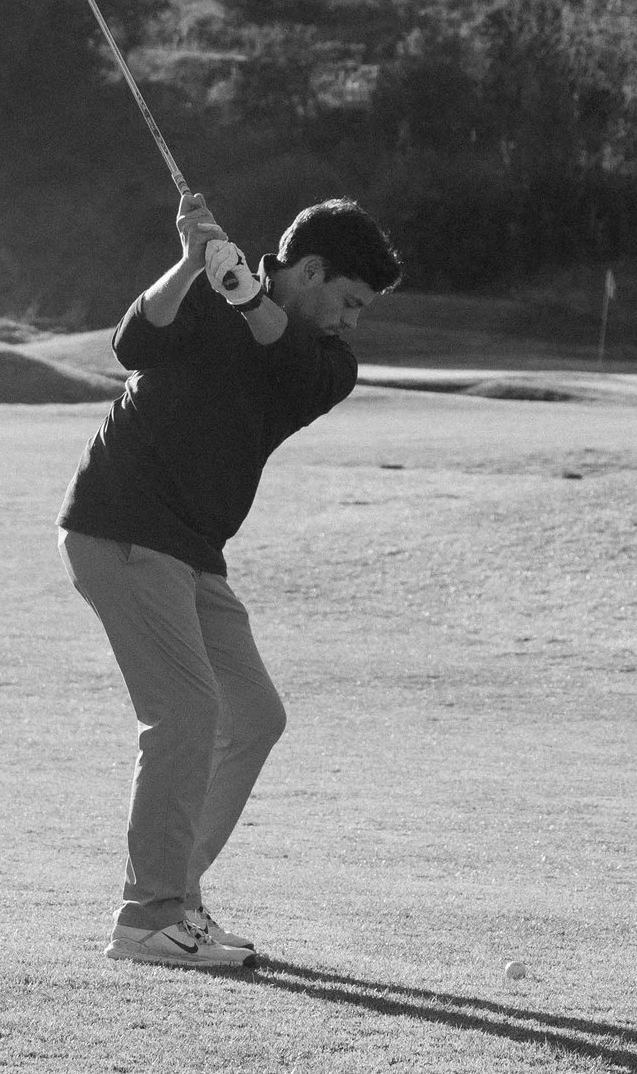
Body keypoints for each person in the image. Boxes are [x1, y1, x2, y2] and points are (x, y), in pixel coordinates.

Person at [60, 190, 403, 969]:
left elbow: (281, 358)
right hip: (121, 524)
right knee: (183, 712)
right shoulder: (208, 301)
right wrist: (187, 266)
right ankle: (148, 918)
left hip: (193, 551)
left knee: (253, 715)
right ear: (310, 270)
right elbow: (131, 343)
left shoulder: (327, 364)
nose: (352, 321)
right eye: (348, 300)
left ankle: (177, 898)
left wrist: (246, 294)